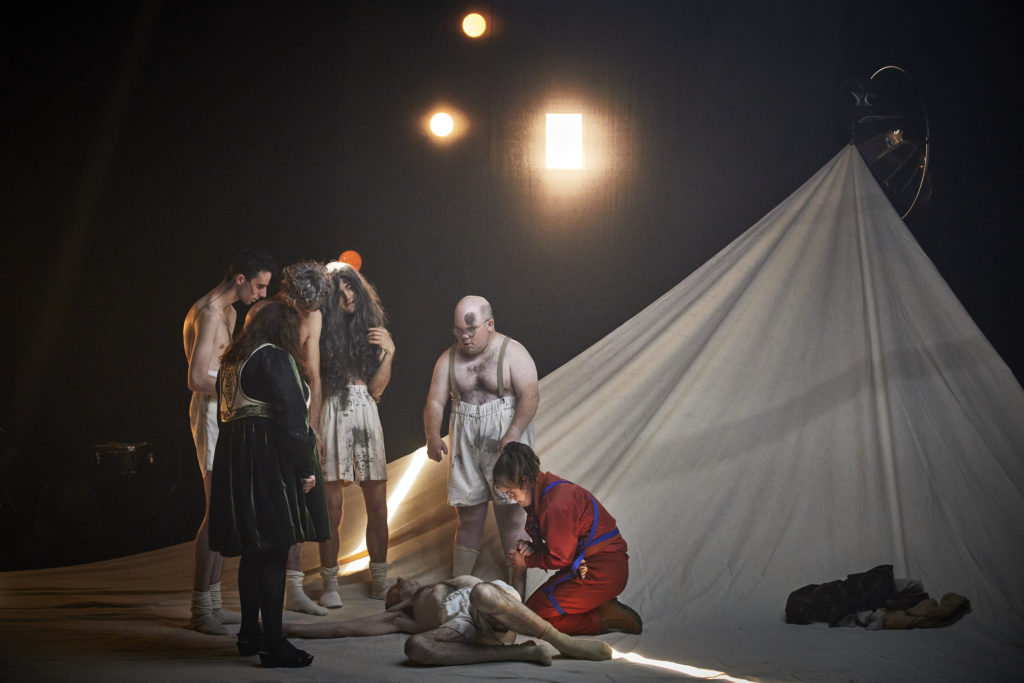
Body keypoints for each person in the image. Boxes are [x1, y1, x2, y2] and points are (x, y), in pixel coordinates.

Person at [209, 299, 331, 668]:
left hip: (237, 465)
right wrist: (304, 468)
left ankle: (249, 633)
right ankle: (274, 643)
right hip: (267, 464)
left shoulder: (232, 362)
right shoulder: (274, 357)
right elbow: (294, 420)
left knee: (253, 551)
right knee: (275, 550)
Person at [182, 247, 274, 635]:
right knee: (215, 510)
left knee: (227, 508)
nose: (262, 294)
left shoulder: (233, 313)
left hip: (227, 410)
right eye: (259, 285)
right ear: (240, 279)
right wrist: (245, 391)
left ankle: (214, 601)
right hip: (209, 412)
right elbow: (197, 378)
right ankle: (200, 607)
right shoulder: (209, 312)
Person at [424, 296, 539, 597]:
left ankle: (518, 593)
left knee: (512, 515)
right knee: (469, 516)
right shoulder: (447, 359)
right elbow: (436, 400)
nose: (465, 336)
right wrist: (432, 435)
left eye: (471, 329)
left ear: (490, 324)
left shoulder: (513, 352)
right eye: (459, 330)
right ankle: (457, 588)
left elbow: (530, 395)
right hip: (465, 437)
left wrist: (513, 433)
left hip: (504, 436)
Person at [249, 261, 335, 617]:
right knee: (271, 504)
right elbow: (250, 366)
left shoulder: (313, 315)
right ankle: (261, 597)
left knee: (301, 499)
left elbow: (313, 375)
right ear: (291, 295)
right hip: (268, 413)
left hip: (298, 409)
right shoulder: (262, 313)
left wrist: (313, 428)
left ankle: (294, 588)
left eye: (313, 308)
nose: (307, 313)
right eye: (303, 306)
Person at [283, 574, 612, 667]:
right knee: (416, 647)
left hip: (494, 607)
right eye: (393, 591)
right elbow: (342, 628)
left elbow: (481, 587)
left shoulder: (439, 583)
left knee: (482, 592)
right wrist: (282, 628)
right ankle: (521, 653)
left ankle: (563, 643)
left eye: (399, 583)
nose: (398, 582)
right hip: (463, 630)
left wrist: (480, 592)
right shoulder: (398, 618)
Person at [494, 443, 642, 636]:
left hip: (602, 571)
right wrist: (533, 548)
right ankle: (597, 605)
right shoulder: (542, 491)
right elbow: (564, 545)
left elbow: (561, 558)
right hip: (586, 566)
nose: (512, 499)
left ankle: (603, 617)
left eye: (511, 493)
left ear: (524, 480)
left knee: (535, 620)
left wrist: (527, 561)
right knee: (531, 614)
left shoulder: (555, 503)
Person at [314, 260, 395, 606]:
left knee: (377, 506)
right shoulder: (320, 331)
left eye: (351, 287)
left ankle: (380, 579)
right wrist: (312, 428)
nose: (348, 294)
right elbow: (314, 384)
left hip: (365, 410)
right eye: (340, 289)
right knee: (331, 508)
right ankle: (329, 583)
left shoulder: (371, 330)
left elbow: (376, 390)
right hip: (331, 409)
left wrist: (389, 353)